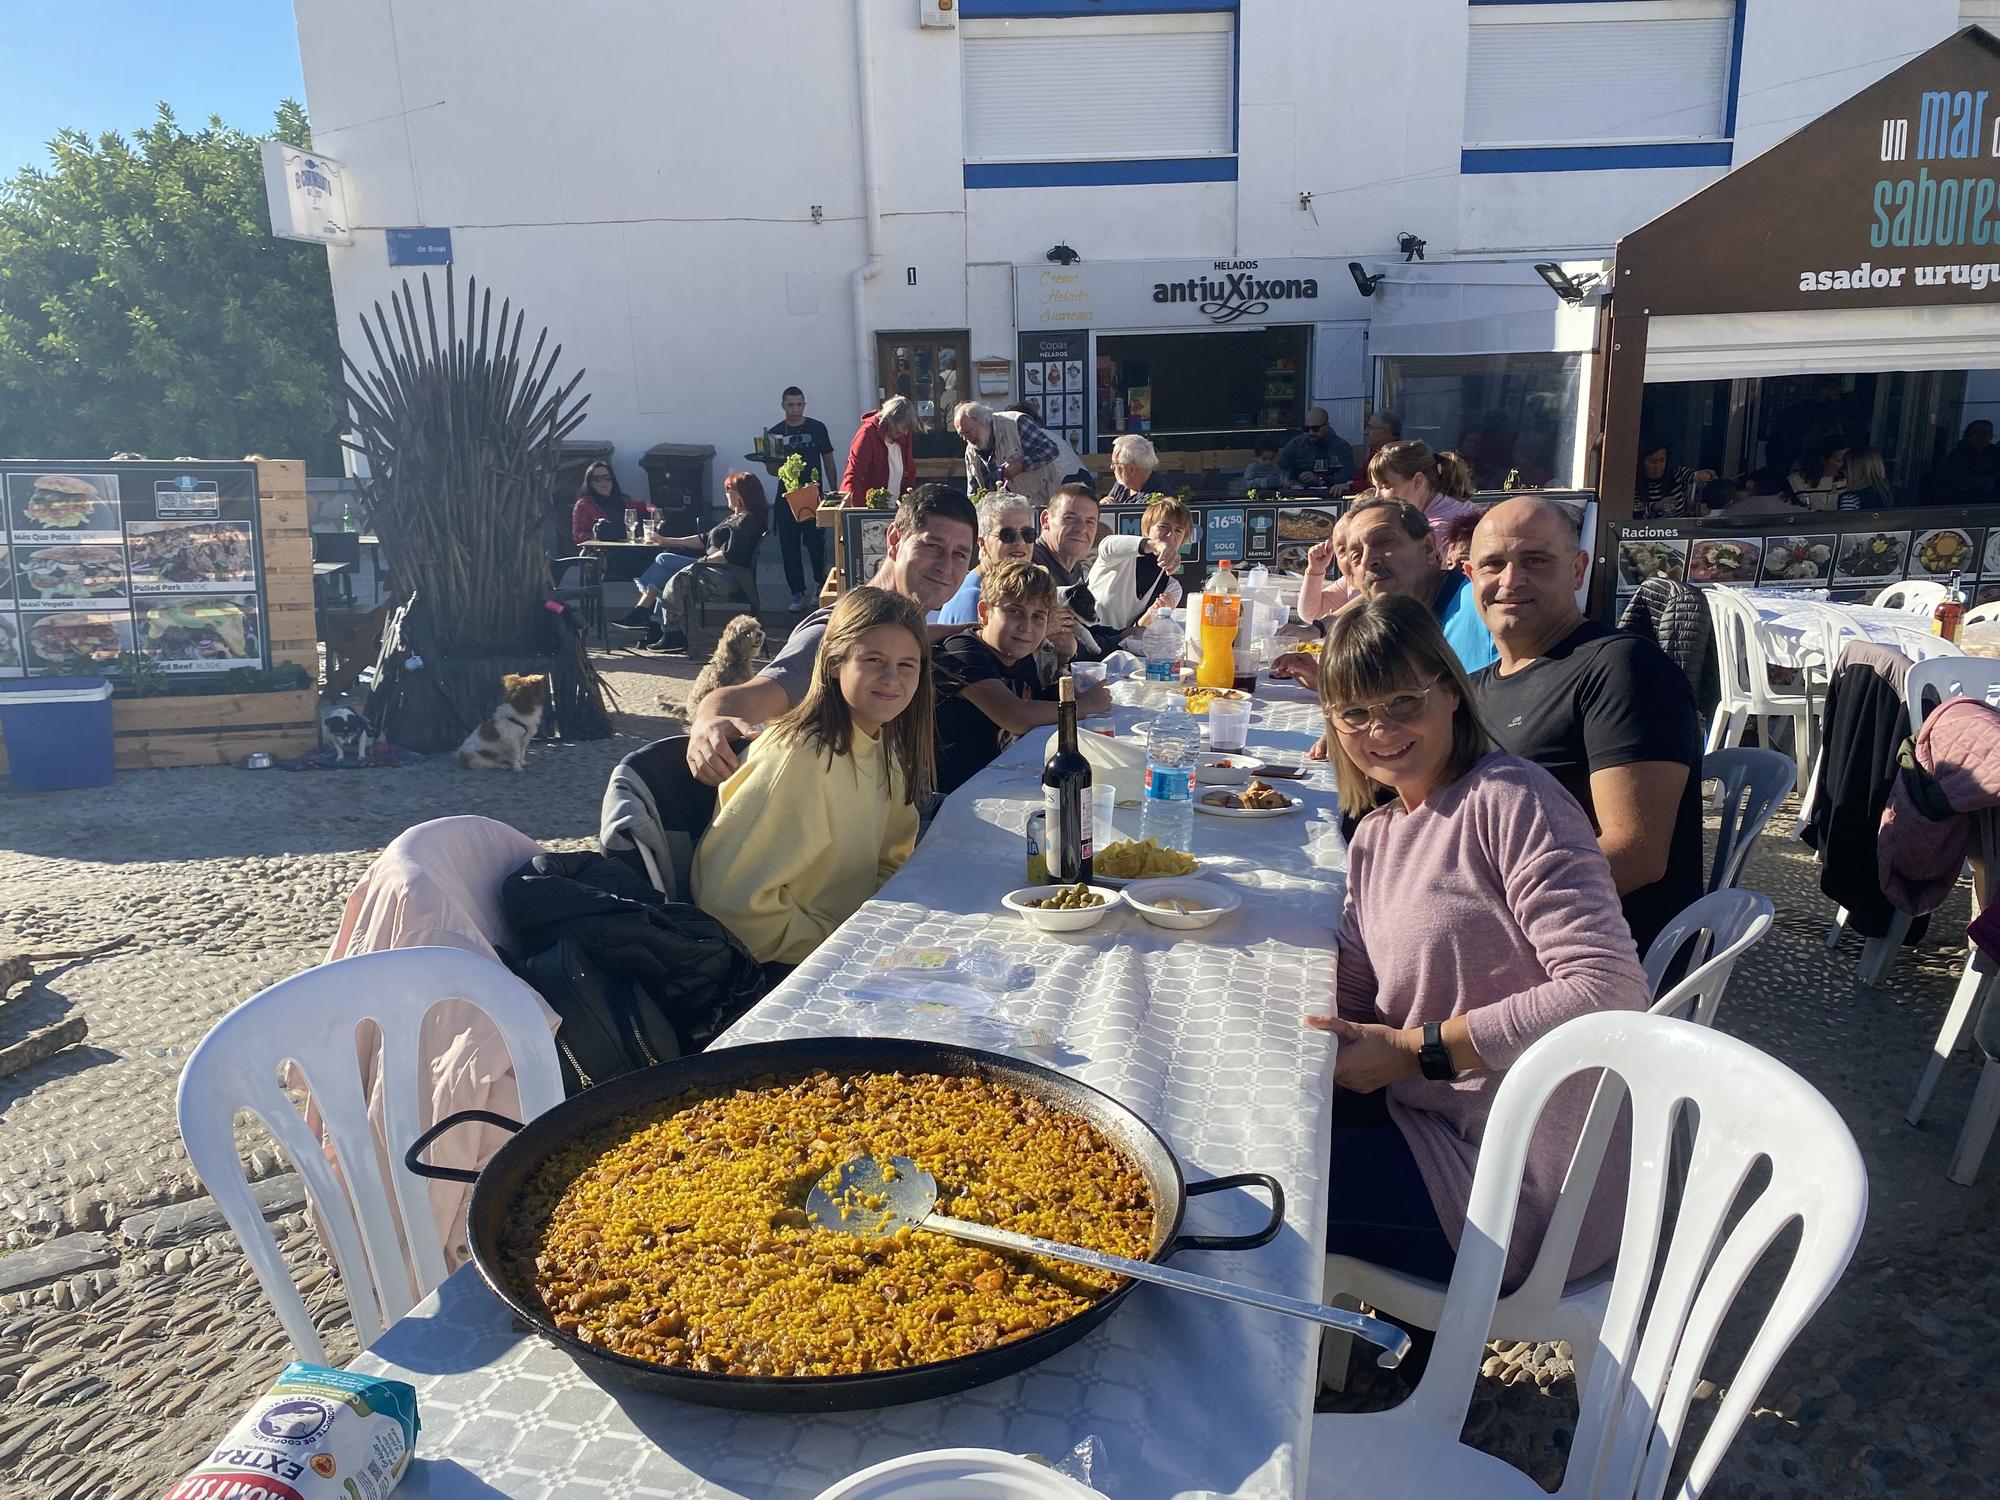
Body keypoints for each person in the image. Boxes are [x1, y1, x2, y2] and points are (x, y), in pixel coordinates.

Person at [1311, 594, 1648, 1286]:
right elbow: (1351, 991)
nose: (1381, 729)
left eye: (1402, 701)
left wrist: (1412, 1052)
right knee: (1251, 1149)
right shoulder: (1376, 837)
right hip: (1435, 1129)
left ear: (1450, 692)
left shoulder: (1511, 799)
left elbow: (1609, 991)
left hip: (1520, 1189)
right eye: (1355, 713)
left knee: (1254, 1206)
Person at [1465, 496, 1705, 958]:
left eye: (1535, 561)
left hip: (1587, 954)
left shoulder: (1623, 668)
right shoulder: (1475, 689)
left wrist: (1474, 917)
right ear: (1470, 576)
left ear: (1578, 570)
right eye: (1493, 564)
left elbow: (1635, 853)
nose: (1511, 580)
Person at [692, 587, 929, 976]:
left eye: (907, 665)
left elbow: (893, 854)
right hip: (787, 971)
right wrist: (835, 941)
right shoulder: (798, 758)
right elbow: (732, 907)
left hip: (857, 947)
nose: (892, 679)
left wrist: (876, 929)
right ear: (834, 662)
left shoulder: (882, 742)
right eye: (874, 660)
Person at [684, 483, 978, 784]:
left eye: (959, 554)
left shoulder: (900, 626)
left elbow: (913, 633)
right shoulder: (839, 632)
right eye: (932, 546)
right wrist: (709, 721)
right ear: (893, 540)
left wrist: (965, 631)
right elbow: (751, 695)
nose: (946, 566)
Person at [931, 561, 1113, 794]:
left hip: (1002, 779)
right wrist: (1088, 704)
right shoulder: (961, 651)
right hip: (956, 796)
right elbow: (1015, 716)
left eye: (1038, 617)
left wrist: (1073, 686)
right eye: (1015, 612)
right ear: (985, 613)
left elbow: (1041, 701)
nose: (1026, 627)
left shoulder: (1021, 655)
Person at [615, 471, 770, 652]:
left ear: (742, 494)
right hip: (713, 569)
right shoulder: (734, 518)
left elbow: (729, 555)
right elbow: (702, 539)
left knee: (664, 561)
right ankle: (661, 628)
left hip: (727, 575)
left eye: (729, 489)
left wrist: (702, 561)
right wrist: (666, 540)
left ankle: (647, 615)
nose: (726, 493)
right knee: (664, 564)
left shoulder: (747, 520)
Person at [766, 386, 836, 609]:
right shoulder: (775, 433)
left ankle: (819, 585)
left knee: (816, 544)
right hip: (786, 498)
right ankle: (797, 593)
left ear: (804, 405)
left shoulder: (817, 428)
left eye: (799, 404)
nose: (795, 409)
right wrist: (773, 460)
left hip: (813, 496)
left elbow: (828, 460)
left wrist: (834, 491)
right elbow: (770, 470)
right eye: (790, 405)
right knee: (789, 547)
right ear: (783, 406)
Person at [1087, 495, 1192, 636]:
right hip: (1083, 637)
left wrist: (1151, 615)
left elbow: (1136, 631)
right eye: (1163, 526)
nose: (1170, 534)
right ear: (1147, 530)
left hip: (1117, 648)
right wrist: (1154, 545)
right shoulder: (1122, 555)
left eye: (1178, 530)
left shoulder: (1172, 588)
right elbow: (1107, 545)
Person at [955, 401, 1085, 506]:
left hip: (1039, 503)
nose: (967, 438)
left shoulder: (1015, 424)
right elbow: (973, 491)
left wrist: (1021, 464)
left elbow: (1050, 450)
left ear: (982, 421)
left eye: (969, 431)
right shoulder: (971, 451)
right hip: (1002, 513)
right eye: (961, 435)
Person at [1371, 439, 1484, 560]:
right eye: (1375, 487)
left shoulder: (1436, 532)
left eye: (1385, 486)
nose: (1377, 496)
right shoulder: (1460, 507)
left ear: (1418, 481)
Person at [1031, 482, 1108, 659]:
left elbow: (1081, 629)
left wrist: (1125, 636)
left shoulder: (1074, 567)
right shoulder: (1033, 569)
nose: (1081, 529)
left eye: (1090, 522)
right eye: (1070, 518)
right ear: (1045, 520)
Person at [935, 490, 1035, 626]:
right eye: (1007, 535)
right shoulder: (973, 598)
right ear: (982, 544)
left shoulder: (1015, 589)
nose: (1020, 542)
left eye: (1027, 534)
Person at [840, 396, 920, 509]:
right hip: (868, 509)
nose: (906, 432)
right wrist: (858, 513)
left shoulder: (903, 436)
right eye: (904, 427)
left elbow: (909, 471)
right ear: (891, 419)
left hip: (895, 509)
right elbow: (853, 476)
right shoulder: (867, 434)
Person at [1277, 408, 1356, 493]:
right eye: (1307, 429)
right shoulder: (1294, 445)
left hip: (1331, 494)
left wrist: (1320, 480)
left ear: (1327, 426)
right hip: (1298, 494)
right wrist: (1293, 481)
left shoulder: (1341, 447)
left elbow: (1348, 474)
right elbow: (1283, 472)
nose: (1311, 433)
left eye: (1315, 429)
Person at [1634, 438, 1715, 520]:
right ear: (1642, 461)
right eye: (1653, 462)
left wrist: (1706, 475)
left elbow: (1708, 476)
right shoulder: (1633, 483)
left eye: (1662, 460)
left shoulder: (1676, 473)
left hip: (1678, 529)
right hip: (1648, 531)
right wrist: (1655, 506)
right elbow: (1635, 518)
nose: (1658, 466)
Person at [570, 460, 645, 544]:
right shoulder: (584, 505)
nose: (604, 483)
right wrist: (598, 536)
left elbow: (644, 506)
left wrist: (654, 511)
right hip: (604, 550)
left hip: (630, 545)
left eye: (607, 478)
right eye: (598, 479)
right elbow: (578, 534)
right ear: (590, 483)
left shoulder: (623, 499)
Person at [1936, 420, 2000, 505]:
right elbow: (1948, 484)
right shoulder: (1956, 457)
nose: (1981, 436)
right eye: (1976, 432)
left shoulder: (1996, 455)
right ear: (1968, 435)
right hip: (1961, 506)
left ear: (1991, 436)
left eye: (1985, 432)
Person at [1785, 428, 1849, 511]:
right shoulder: (1794, 482)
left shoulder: (1847, 482)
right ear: (1823, 460)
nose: (1844, 464)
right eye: (1839, 460)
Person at [1105, 433, 1160, 506]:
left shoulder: (1156, 499)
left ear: (1131, 469)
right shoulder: (1124, 483)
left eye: (1115, 463)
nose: (1112, 468)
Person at [1836, 447, 1894, 511]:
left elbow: (1845, 521)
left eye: (1845, 466)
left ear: (1856, 470)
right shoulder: (1887, 494)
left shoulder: (1850, 499)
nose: (1842, 471)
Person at [1354, 409, 1402, 480]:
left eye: (1370, 427)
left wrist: (1352, 486)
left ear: (1386, 431)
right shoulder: (1376, 451)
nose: (1366, 432)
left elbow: (1379, 482)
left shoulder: (1397, 456)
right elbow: (1362, 477)